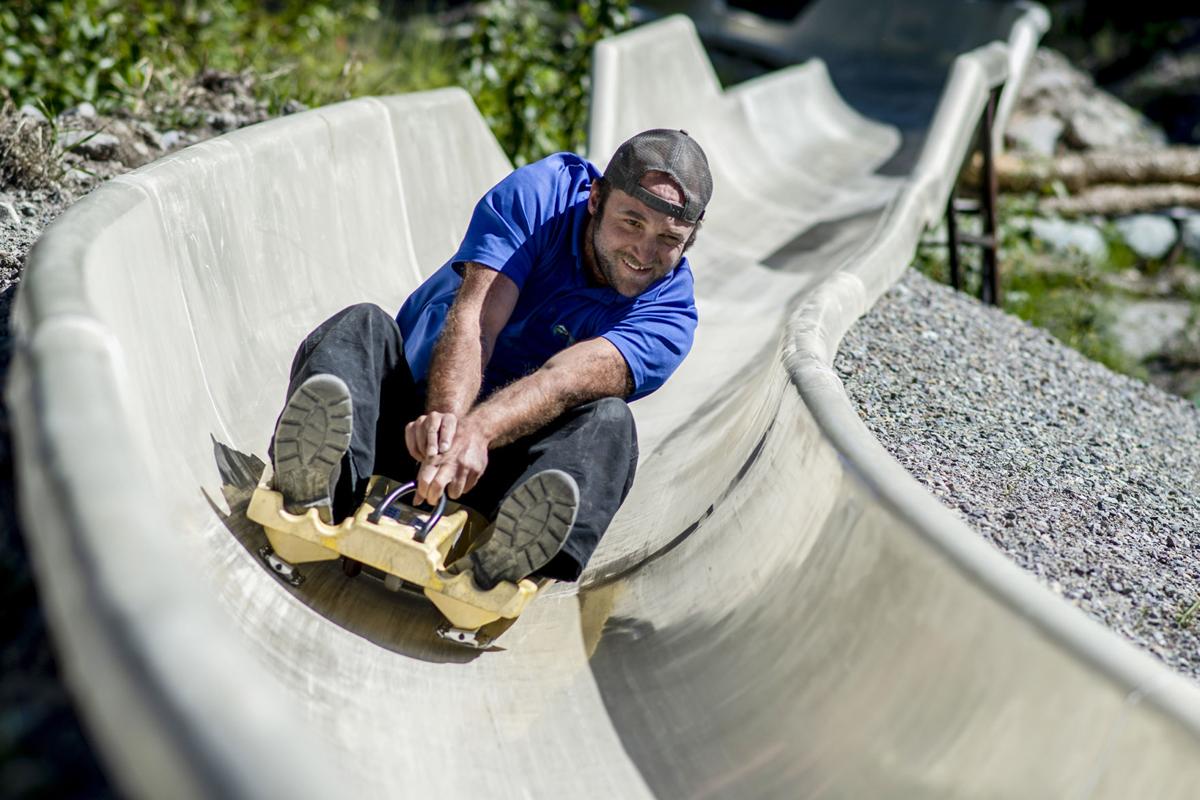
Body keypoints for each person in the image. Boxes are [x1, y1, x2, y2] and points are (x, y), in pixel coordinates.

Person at [269, 128, 712, 590]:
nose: (643, 252)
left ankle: (508, 553)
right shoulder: (542, 196)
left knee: (610, 424)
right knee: (360, 326)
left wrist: (476, 434)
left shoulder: (670, 316)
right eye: (632, 222)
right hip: (411, 424)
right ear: (596, 198)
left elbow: (560, 382)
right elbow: (479, 319)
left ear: (689, 240)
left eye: (668, 238)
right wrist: (444, 424)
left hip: (504, 476)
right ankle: (320, 482)